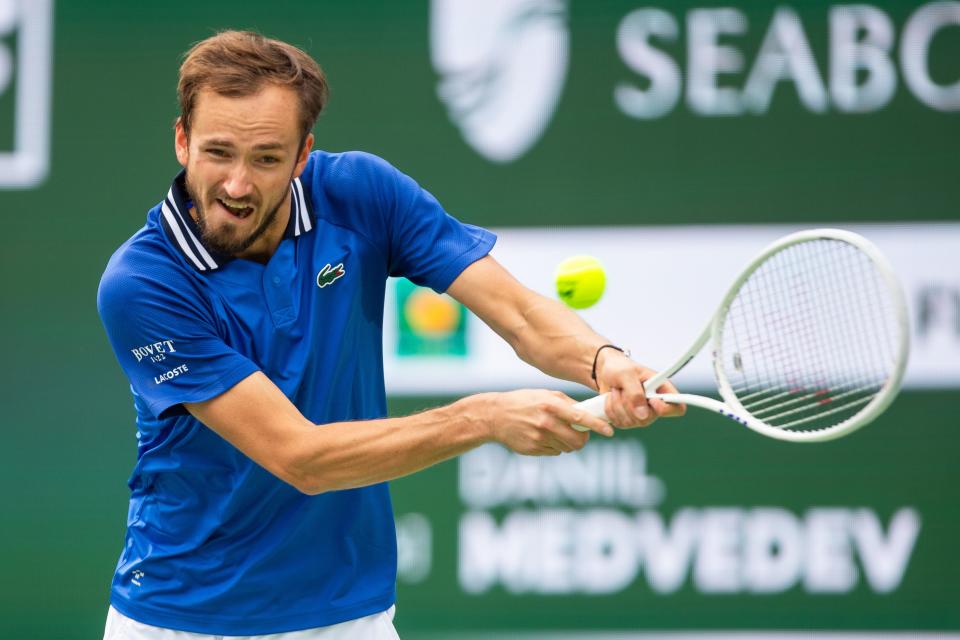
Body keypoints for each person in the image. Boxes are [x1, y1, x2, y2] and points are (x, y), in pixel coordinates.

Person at [96, 30, 683, 640]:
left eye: (267, 158)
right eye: (218, 152)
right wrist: (482, 418)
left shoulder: (359, 192)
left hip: (349, 613)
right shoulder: (143, 285)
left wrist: (604, 362)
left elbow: (521, 315)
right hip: (183, 618)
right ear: (182, 140)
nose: (238, 185)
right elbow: (300, 457)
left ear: (303, 157)